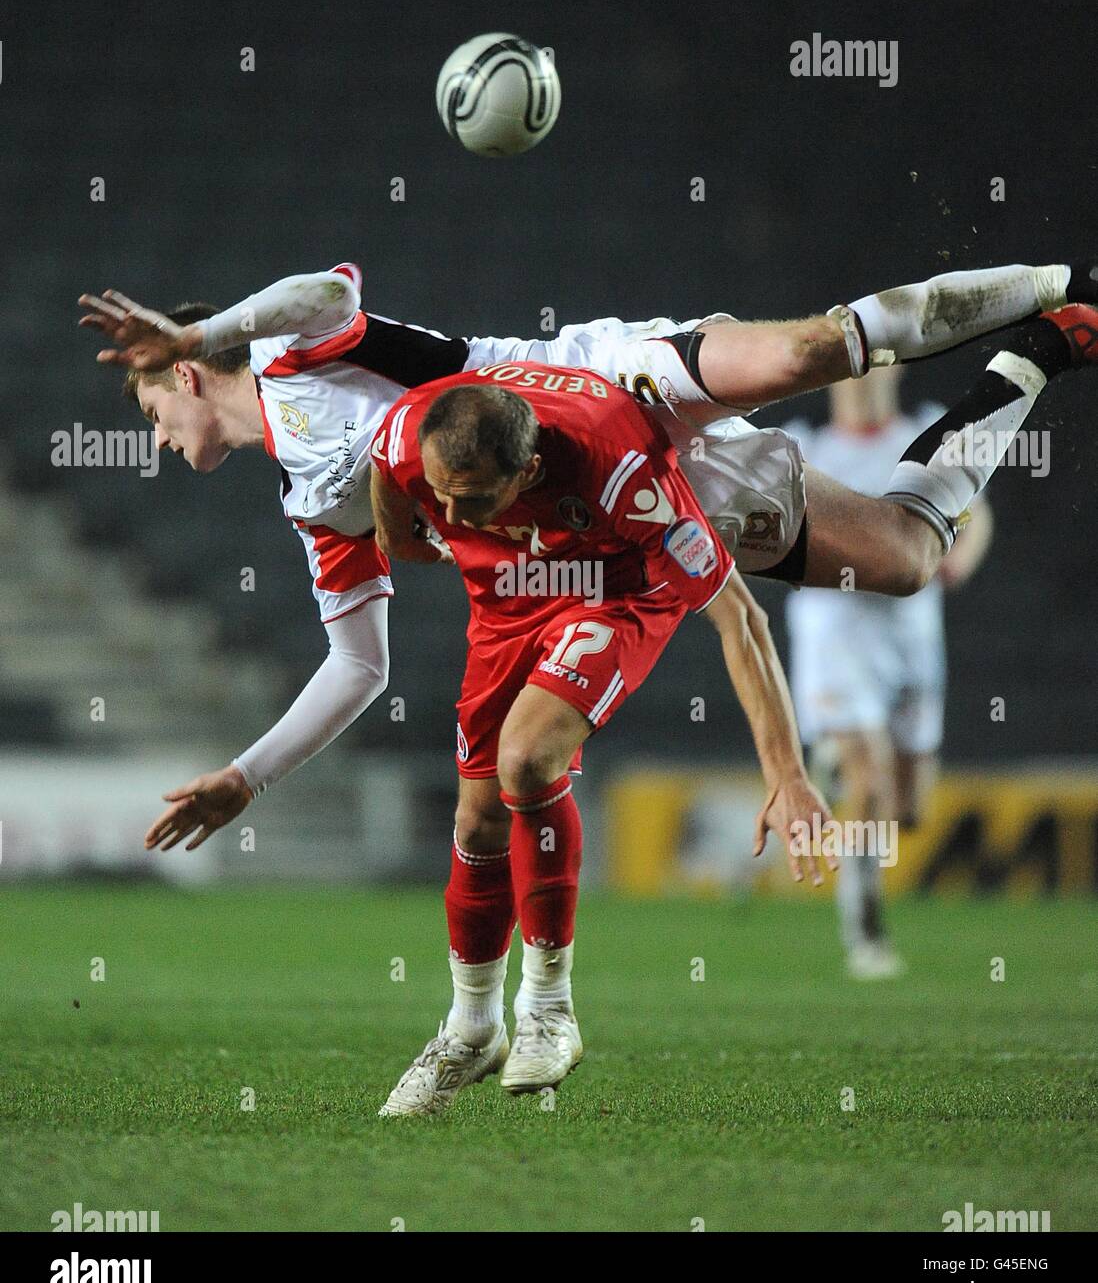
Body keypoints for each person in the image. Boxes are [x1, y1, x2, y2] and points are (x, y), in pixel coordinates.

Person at [76, 257, 1098, 847]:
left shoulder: (289, 353)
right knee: (907, 557)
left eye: (152, 404)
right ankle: (1047, 347)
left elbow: (324, 292)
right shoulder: (316, 507)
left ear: (189, 373)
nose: (159, 436)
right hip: (594, 508)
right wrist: (247, 778)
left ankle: (1062, 273)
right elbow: (359, 664)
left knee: (807, 353)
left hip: (590, 386)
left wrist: (201, 328)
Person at [366, 361, 828, 1113]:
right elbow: (392, 489)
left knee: (526, 757)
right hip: (504, 599)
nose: (455, 510)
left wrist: (788, 775)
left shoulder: (623, 476)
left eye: (475, 498)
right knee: (478, 822)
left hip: (614, 592)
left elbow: (741, 618)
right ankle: (471, 1026)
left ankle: (549, 1009)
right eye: (443, 494)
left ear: (533, 470)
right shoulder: (406, 435)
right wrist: (427, 539)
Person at [783, 366, 992, 978]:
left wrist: (959, 562)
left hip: (909, 636)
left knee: (908, 810)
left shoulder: (928, 433)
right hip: (835, 633)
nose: (863, 376)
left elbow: (973, 515)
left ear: (895, 366)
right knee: (870, 782)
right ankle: (865, 930)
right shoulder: (807, 450)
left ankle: (834, 767)